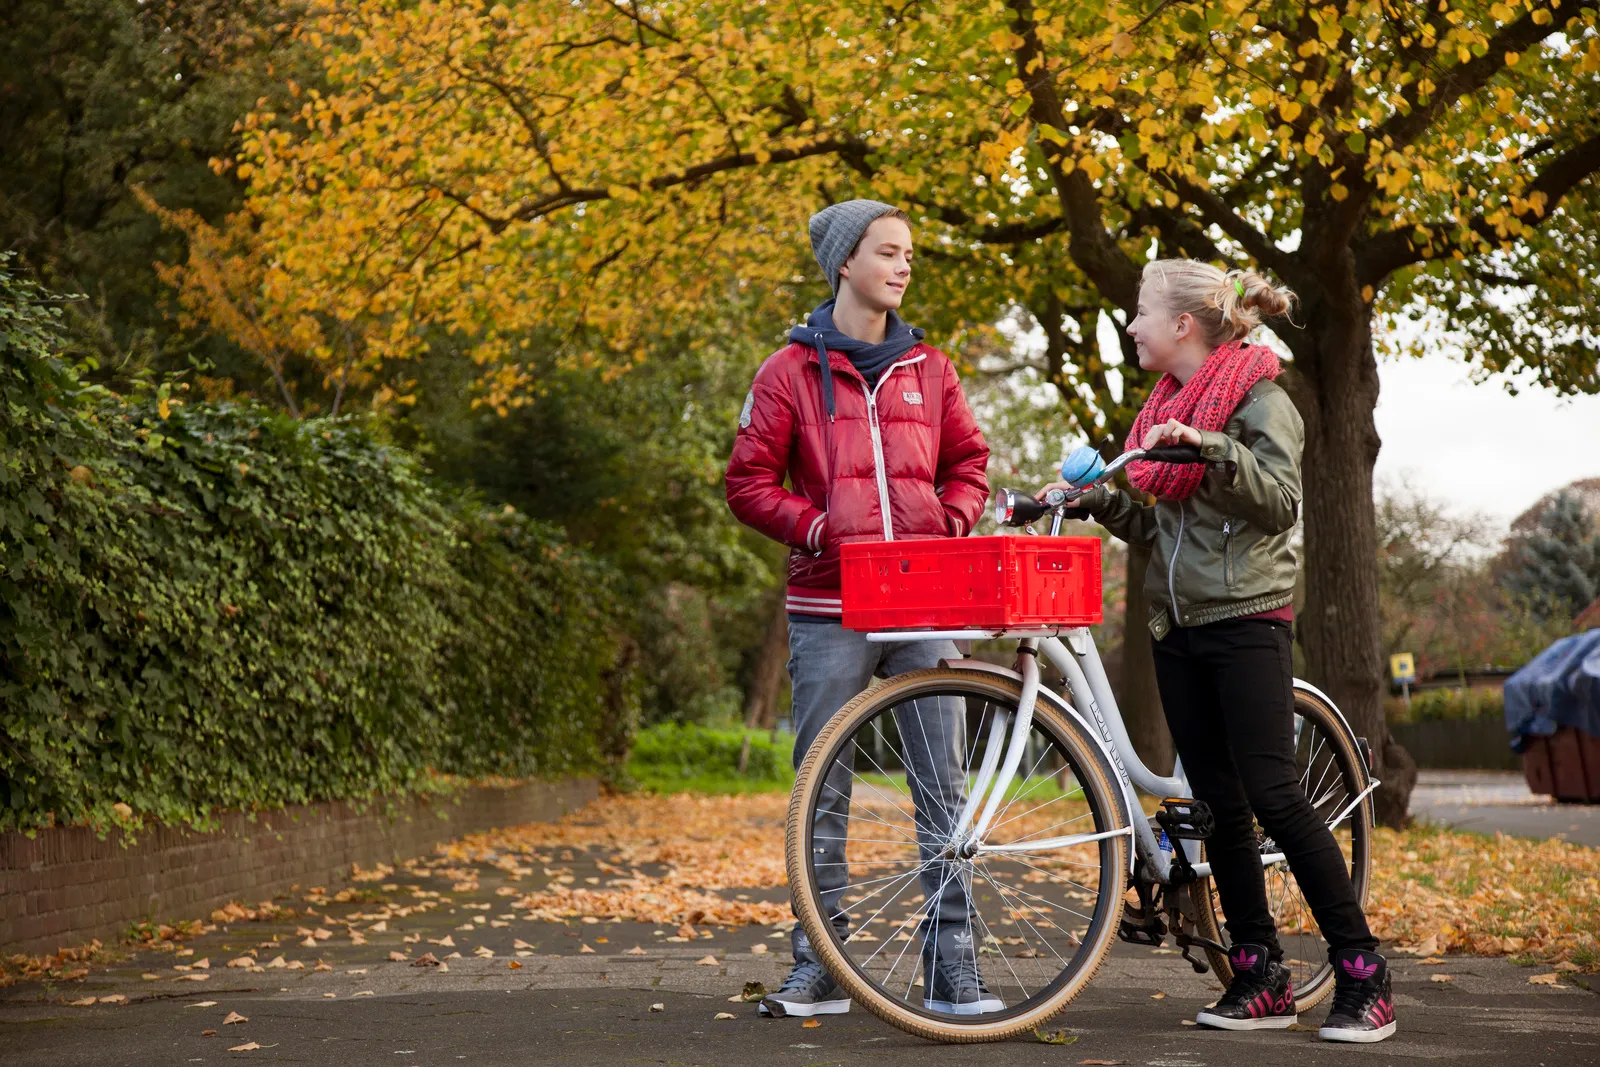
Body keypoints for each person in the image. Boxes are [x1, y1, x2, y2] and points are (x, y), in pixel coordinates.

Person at [1035, 259, 1397, 1044]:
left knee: (1274, 796)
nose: (1131, 325)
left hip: (1246, 623)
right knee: (1220, 808)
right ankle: (1259, 974)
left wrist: (1211, 448)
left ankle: (1364, 973)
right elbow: (1165, 529)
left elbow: (1281, 502)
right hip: (1179, 629)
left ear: (1182, 325)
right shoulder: (1165, 409)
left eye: (1141, 312)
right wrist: (1100, 501)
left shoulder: (1262, 399)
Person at [724, 199, 993, 1018]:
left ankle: (954, 970)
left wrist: (950, 521)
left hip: (922, 602)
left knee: (943, 789)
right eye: (888, 251)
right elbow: (747, 483)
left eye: (909, 253)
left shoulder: (931, 368)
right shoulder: (786, 372)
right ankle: (821, 966)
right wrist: (817, 527)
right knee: (822, 789)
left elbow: (969, 463)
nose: (904, 265)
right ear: (845, 262)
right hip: (827, 605)